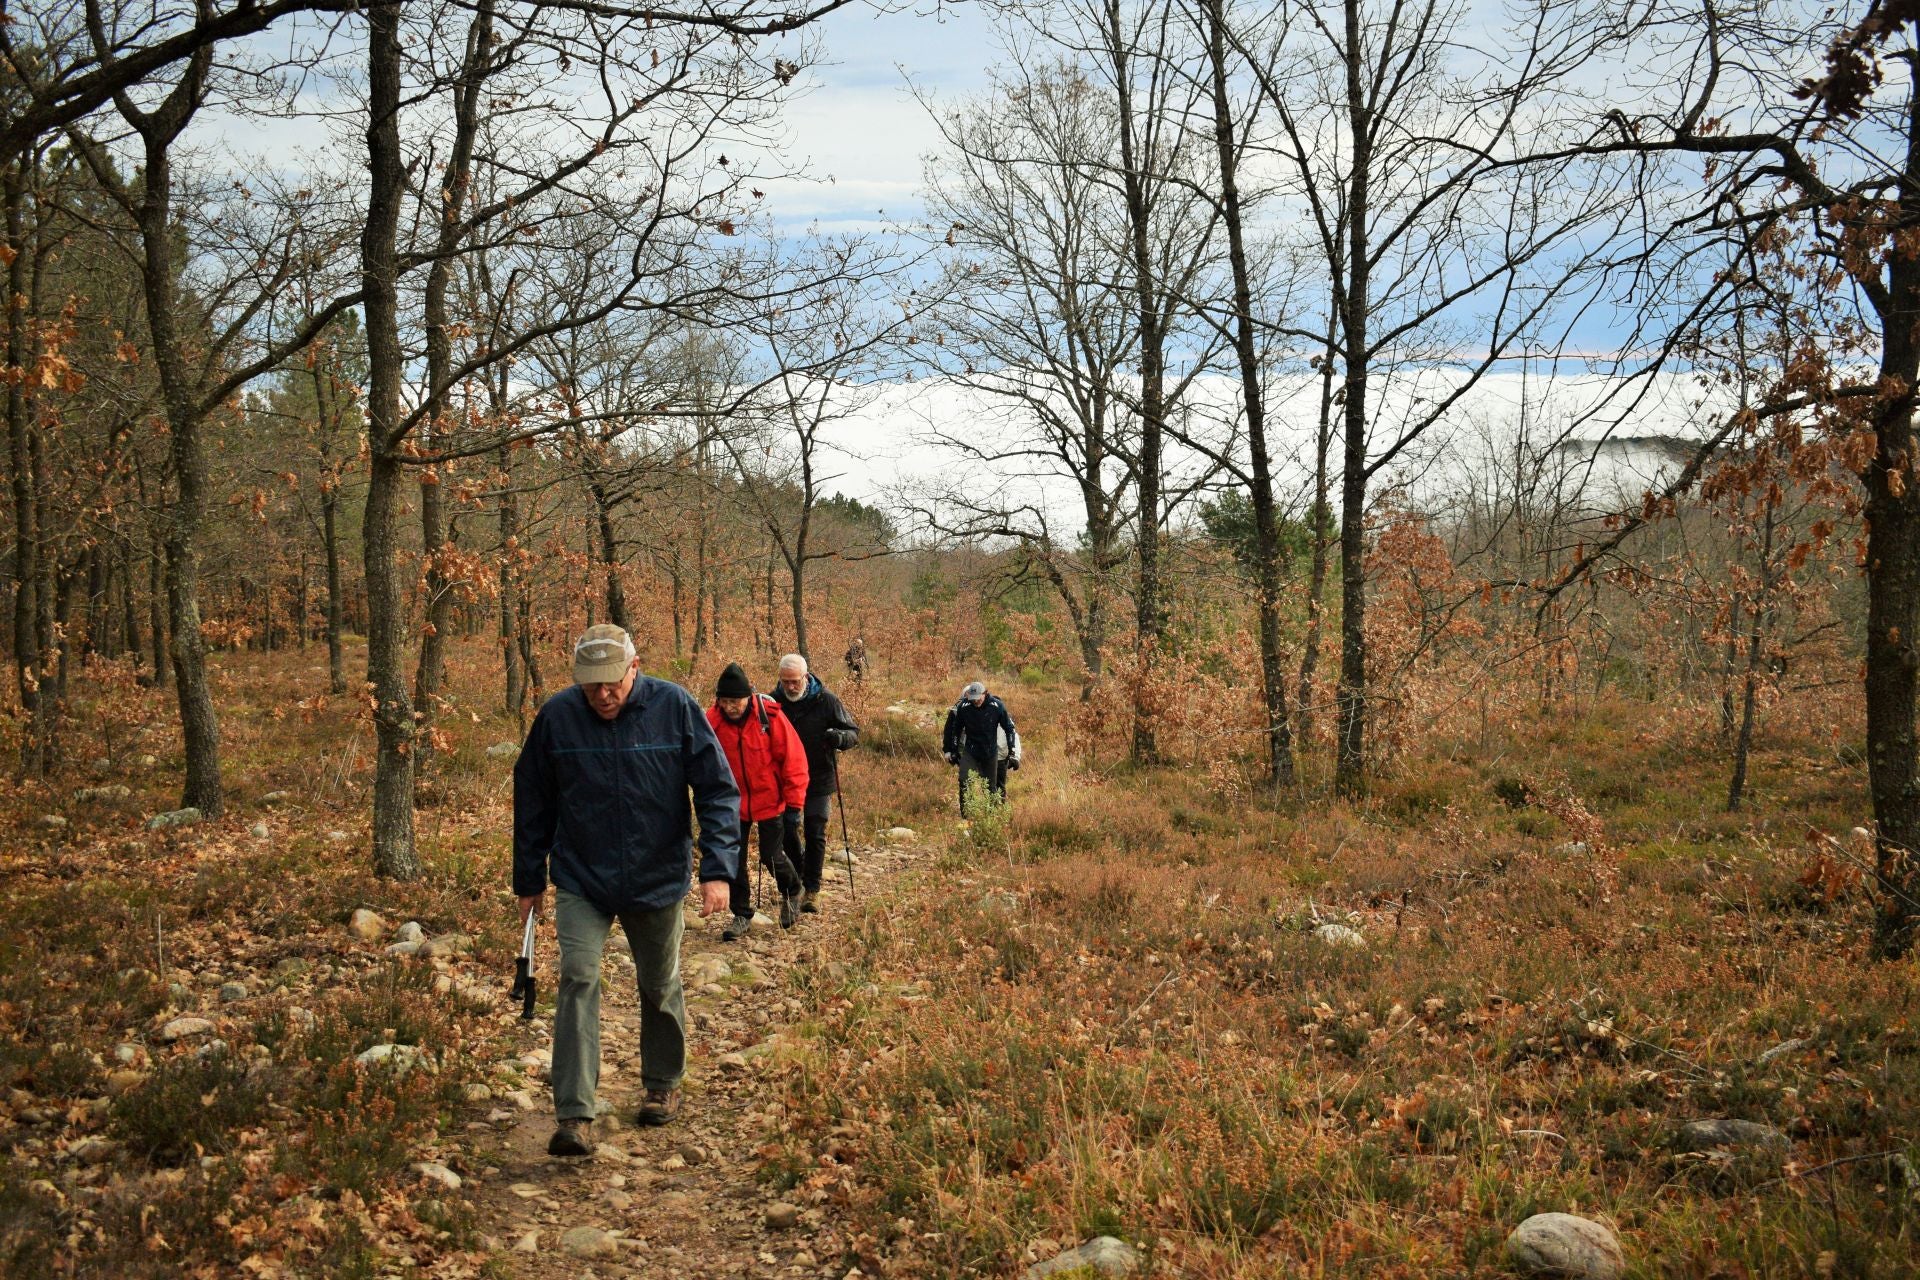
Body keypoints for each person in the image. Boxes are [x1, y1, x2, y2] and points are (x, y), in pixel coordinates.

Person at [513, 623, 741, 1158]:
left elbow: (716, 789)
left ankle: (662, 1082)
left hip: (656, 873)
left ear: (634, 667)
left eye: (613, 682)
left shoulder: (675, 707)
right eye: (592, 685)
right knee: (577, 978)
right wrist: (528, 880)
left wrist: (717, 868)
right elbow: (533, 801)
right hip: (581, 876)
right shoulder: (558, 717)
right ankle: (574, 1112)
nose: (604, 694)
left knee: (659, 982)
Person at [706, 662, 808, 939]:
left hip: (770, 800)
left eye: (735, 701)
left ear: (748, 696)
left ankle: (792, 891)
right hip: (732, 805)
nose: (730, 707)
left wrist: (794, 805)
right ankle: (741, 914)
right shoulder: (712, 721)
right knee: (734, 860)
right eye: (724, 701)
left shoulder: (769, 716)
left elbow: (794, 761)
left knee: (770, 856)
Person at [771, 653, 860, 913]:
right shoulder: (772, 702)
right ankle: (796, 880)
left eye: (795, 681)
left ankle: (812, 890)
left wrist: (839, 737)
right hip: (785, 780)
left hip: (819, 776)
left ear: (806, 677)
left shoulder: (827, 700)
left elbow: (854, 733)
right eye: (785, 681)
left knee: (815, 830)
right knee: (787, 830)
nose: (790, 687)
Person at [942, 680, 1020, 816]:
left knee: (992, 787)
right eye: (972, 699)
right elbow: (954, 729)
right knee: (964, 780)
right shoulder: (963, 707)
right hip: (970, 751)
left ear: (985, 694)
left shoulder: (997, 707)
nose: (976, 701)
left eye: (978, 698)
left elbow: (1010, 729)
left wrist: (1014, 753)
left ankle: (993, 817)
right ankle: (966, 816)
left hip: (991, 752)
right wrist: (951, 750)